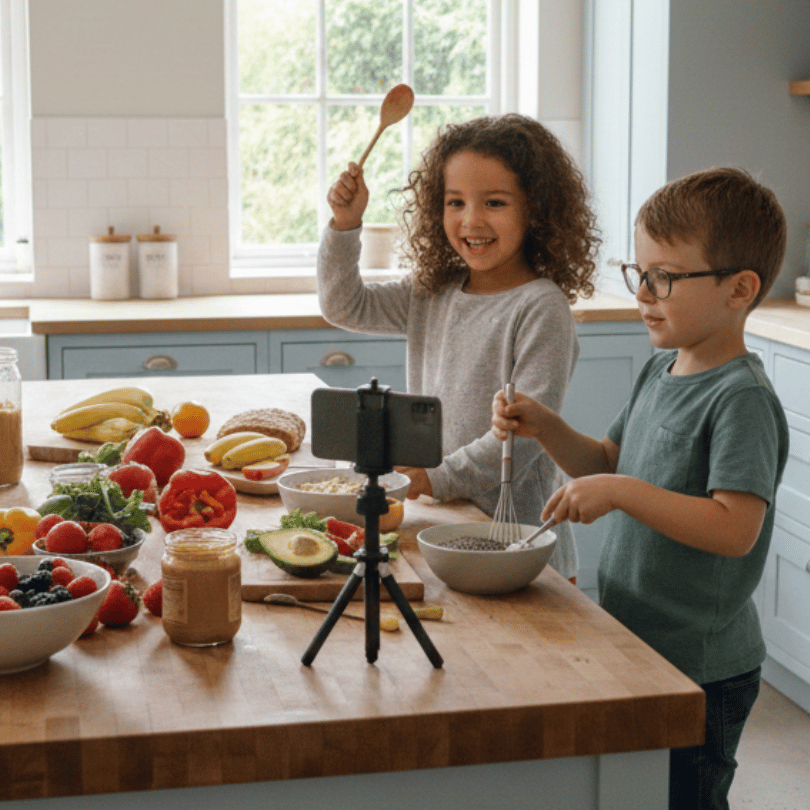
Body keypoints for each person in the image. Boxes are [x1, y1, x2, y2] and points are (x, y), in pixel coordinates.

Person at [491, 167, 789, 809]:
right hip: (638, 641)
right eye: (640, 273)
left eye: (667, 278)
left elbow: (734, 529)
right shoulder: (662, 369)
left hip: (703, 666)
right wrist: (546, 427)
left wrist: (622, 491)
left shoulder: (742, 400)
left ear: (739, 289)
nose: (645, 293)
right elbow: (603, 459)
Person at [318, 114, 600, 581]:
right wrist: (346, 225)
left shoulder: (540, 307)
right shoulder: (433, 290)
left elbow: (525, 437)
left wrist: (437, 479)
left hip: (520, 545)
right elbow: (344, 304)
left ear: (537, 209)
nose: (471, 220)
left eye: (494, 202)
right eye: (455, 202)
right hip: (445, 525)